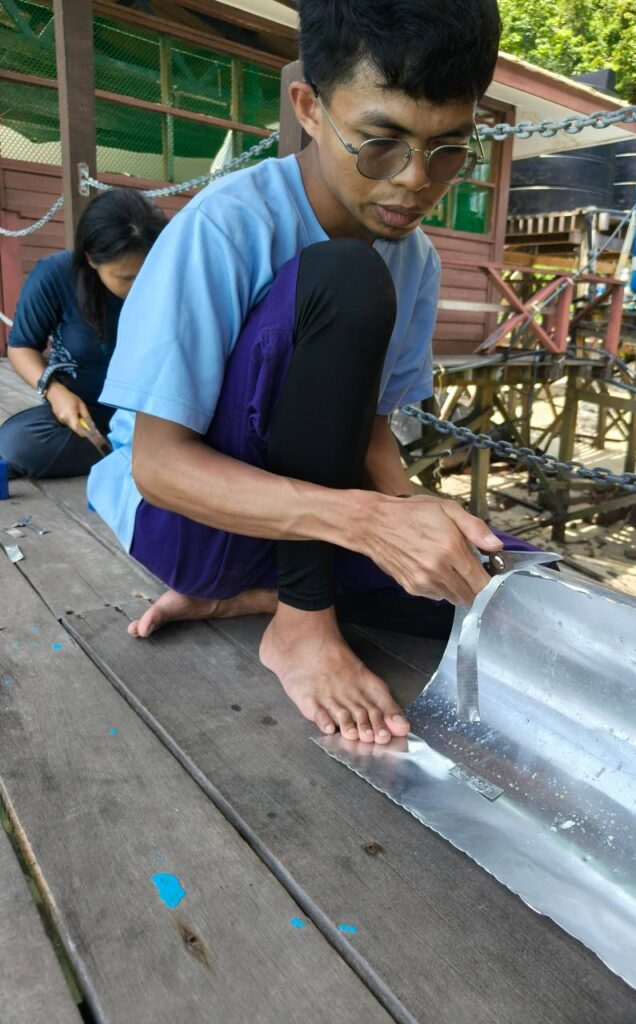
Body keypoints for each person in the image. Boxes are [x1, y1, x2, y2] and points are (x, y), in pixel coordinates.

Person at [89, 0, 524, 745]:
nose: (416, 181)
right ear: (309, 108)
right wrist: (371, 524)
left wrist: (416, 515)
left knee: (508, 592)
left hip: (301, 530)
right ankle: (299, 623)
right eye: (381, 143)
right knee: (344, 278)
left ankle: (248, 597)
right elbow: (159, 468)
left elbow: (367, 430)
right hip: (192, 526)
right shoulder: (229, 224)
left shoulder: (415, 257)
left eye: (450, 149)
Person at [0, 189, 167, 478]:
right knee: (17, 444)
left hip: (156, 413)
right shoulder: (56, 275)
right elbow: (22, 347)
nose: (141, 287)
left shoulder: (176, 276)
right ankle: (144, 456)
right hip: (88, 413)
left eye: (149, 273)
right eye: (126, 278)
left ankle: (145, 453)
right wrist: (55, 392)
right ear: (90, 259)